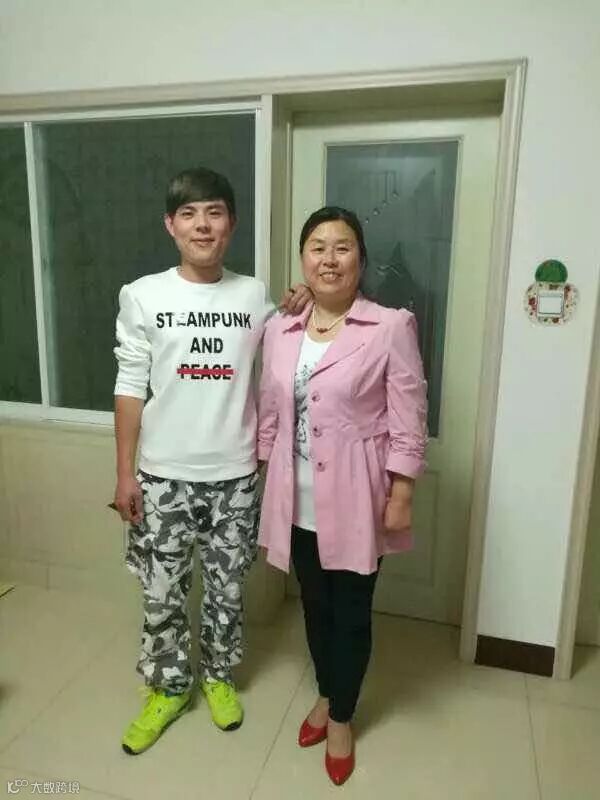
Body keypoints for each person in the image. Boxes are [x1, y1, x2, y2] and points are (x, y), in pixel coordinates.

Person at [112, 166, 311, 755]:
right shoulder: (143, 294)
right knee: (162, 592)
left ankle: (219, 678)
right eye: (189, 214)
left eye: (214, 212)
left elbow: (288, 353)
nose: (202, 225)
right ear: (170, 225)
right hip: (161, 476)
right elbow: (130, 386)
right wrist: (124, 473)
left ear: (232, 224)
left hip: (235, 477)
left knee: (227, 591)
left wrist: (300, 304)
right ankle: (169, 688)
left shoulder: (253, 296)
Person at [257, 206, 428, 786]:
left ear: (361, 258)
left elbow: (409, 418)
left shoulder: (389, 327)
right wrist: (259, 474)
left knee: (351, 614)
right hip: (295, 498)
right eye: (317, 247)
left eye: (342, 247)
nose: (329, 258)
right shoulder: (280, 329)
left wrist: (401, 493)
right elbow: (271, 410)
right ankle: (329, 692)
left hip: (358, 497)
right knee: (314, 606)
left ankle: (340, 718)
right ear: (303, 260)